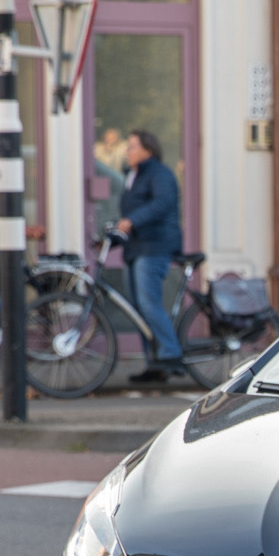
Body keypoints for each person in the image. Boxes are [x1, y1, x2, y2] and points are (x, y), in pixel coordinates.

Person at [114, 129, 185, 383]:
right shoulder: (132, 175)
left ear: (148, 150)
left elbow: (162, 203)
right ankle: (154, 364)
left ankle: (170, 354)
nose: (128, 151)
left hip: (155, 246)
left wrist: (132, 220)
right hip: (136, 247)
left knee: (148, 303)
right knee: (137, 309)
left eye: (132, 146)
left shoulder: (159, 173)